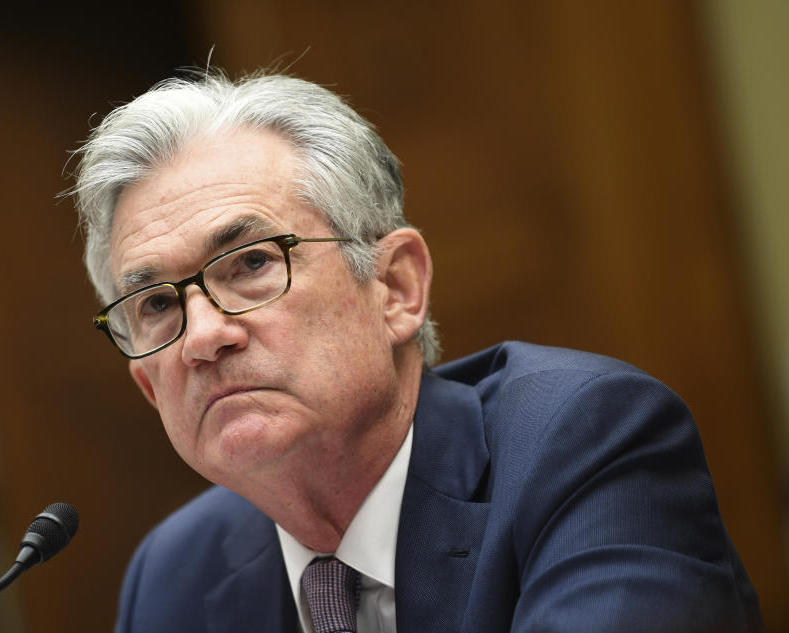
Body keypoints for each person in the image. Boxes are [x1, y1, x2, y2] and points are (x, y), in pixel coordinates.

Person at [70, 70, 765, 633]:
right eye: (157, 303)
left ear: (396, 286)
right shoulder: (173, 576)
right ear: (148, 386)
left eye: (251, 263)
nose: (203, 336)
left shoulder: (584, 444)